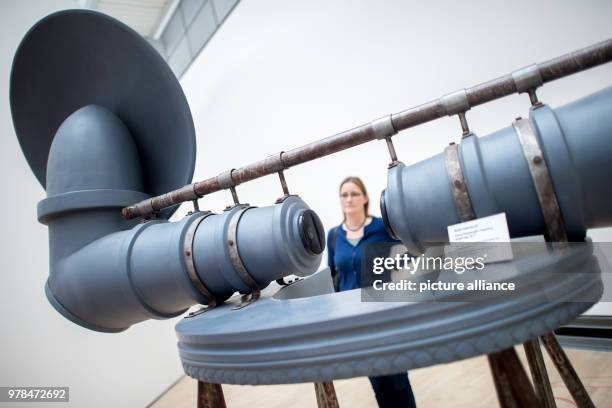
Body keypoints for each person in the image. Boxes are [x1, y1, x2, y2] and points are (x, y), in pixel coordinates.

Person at [327, 176, 417, 408]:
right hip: (355, 323)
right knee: (378, 384)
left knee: (397, 379)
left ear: (365, 198)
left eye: (354, 193)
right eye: (344, 194)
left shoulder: (381, 227)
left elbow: (411, 250)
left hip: (384, 315)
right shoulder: (334, 236)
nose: (349, 199)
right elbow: (333, 277)